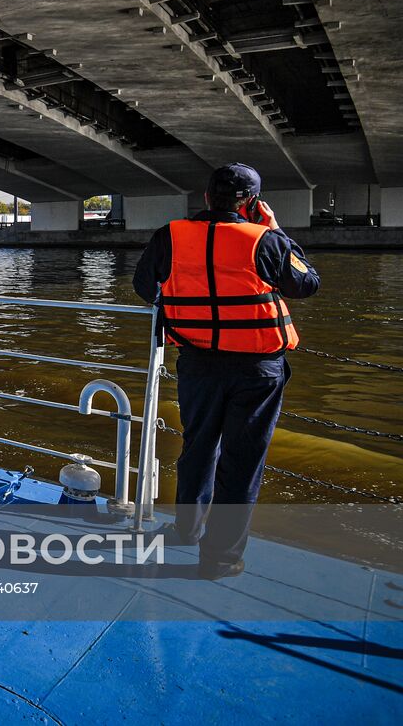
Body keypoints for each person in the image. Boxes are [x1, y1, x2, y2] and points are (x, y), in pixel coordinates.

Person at [133, 164, 319, 579]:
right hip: (257, 369)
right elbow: (306, 284)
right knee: (242, 461)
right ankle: (219, 558)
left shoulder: (170, 236)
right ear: (252, 203)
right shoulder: (266, 240)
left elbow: (145, 287)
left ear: (206, 197)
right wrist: (278, 232)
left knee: (197, 446)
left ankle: (186, 528)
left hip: (197, 362)